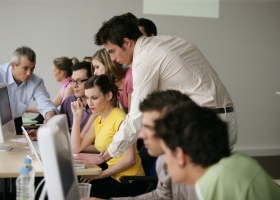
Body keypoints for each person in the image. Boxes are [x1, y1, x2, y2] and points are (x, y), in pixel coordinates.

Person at [76, 15, 238, 165]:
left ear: (126, 42)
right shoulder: (168, 41)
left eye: (112, 51)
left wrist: (102, 156)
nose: (112, 58)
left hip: (203, 126)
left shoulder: (144, 59)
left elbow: (136, 117)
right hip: (221, 118)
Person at [80, 90, 198, 200]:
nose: (141, 135)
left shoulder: (203, 172)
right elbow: (160, 195)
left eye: (149, 127)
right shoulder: (164, 160)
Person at [155, 102, 280, 200]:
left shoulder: (213, 184)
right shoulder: (239, 160)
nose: (165, 160)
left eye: (166, 153)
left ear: (180, 156)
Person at [72, 75, 145, 199]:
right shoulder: (99, 120)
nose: (89, 103)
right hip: (114, 177)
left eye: (94, 98)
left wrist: (100, 175)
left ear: (109, 96)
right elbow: (76, 148)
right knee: (75, 184)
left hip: (130, 182)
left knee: (77, 189)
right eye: (87, 98)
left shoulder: (120, 119)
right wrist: (77, 117)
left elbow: (129, 159)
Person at [0, 46, 57, 134]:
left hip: (16, 122)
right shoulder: (1, 74)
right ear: (13, 65)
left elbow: (45, 105)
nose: (29, 73)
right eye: (25, 68)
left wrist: (49, 119)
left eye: (32, 68)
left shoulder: (36, 82)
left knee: (19, 147)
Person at [91, 48, 132, 113]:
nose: (95, 73)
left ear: (108, 64)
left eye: (97, 67)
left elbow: (132, 115)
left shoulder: (129, 78)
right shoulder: (113, 84)